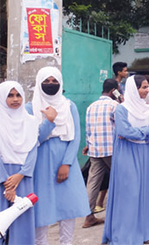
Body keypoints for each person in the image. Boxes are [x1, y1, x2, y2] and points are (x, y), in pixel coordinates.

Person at [27, 67, 89, 245]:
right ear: (39, 83)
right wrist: (49, 122)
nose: (51, 85)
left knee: (67, 209)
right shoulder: (31, 108)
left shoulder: (69, 106)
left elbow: (76, 136)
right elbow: (33, 138)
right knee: (41, 210)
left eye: (55, 81)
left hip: (65, 162)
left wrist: (67, 163)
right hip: (40, 163)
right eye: (46, 81)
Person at [102, 75, 149, 245]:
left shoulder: (148, 109)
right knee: (129, 193)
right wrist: (146, 131)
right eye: (143, 87)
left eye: (147, 87)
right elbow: (124, 131)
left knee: (144, 192)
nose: (146, 90)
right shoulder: (121, 109)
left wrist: (143, 133)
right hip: (127, 154)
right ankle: (125, 235)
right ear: (134, 89)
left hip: (145, 153)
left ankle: (144, 233)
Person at [0, 81, 38, 245]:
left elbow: (33, 151)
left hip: (23, 176)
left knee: (22, 218)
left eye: (18, 95)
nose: (15, 99)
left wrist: (20, 175)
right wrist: (7, 183)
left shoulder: (31, 121)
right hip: (3, 177)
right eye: (10, 95)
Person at [82, 78, 119, 229]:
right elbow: (120, 127)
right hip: (112, 150)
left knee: (93, 183)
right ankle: (119, 214)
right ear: (113, 91)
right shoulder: (115, 105)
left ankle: (88, 216)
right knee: (120, 179)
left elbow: (88, 129)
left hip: (95, 150)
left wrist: (87, 145)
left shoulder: (91, 106)